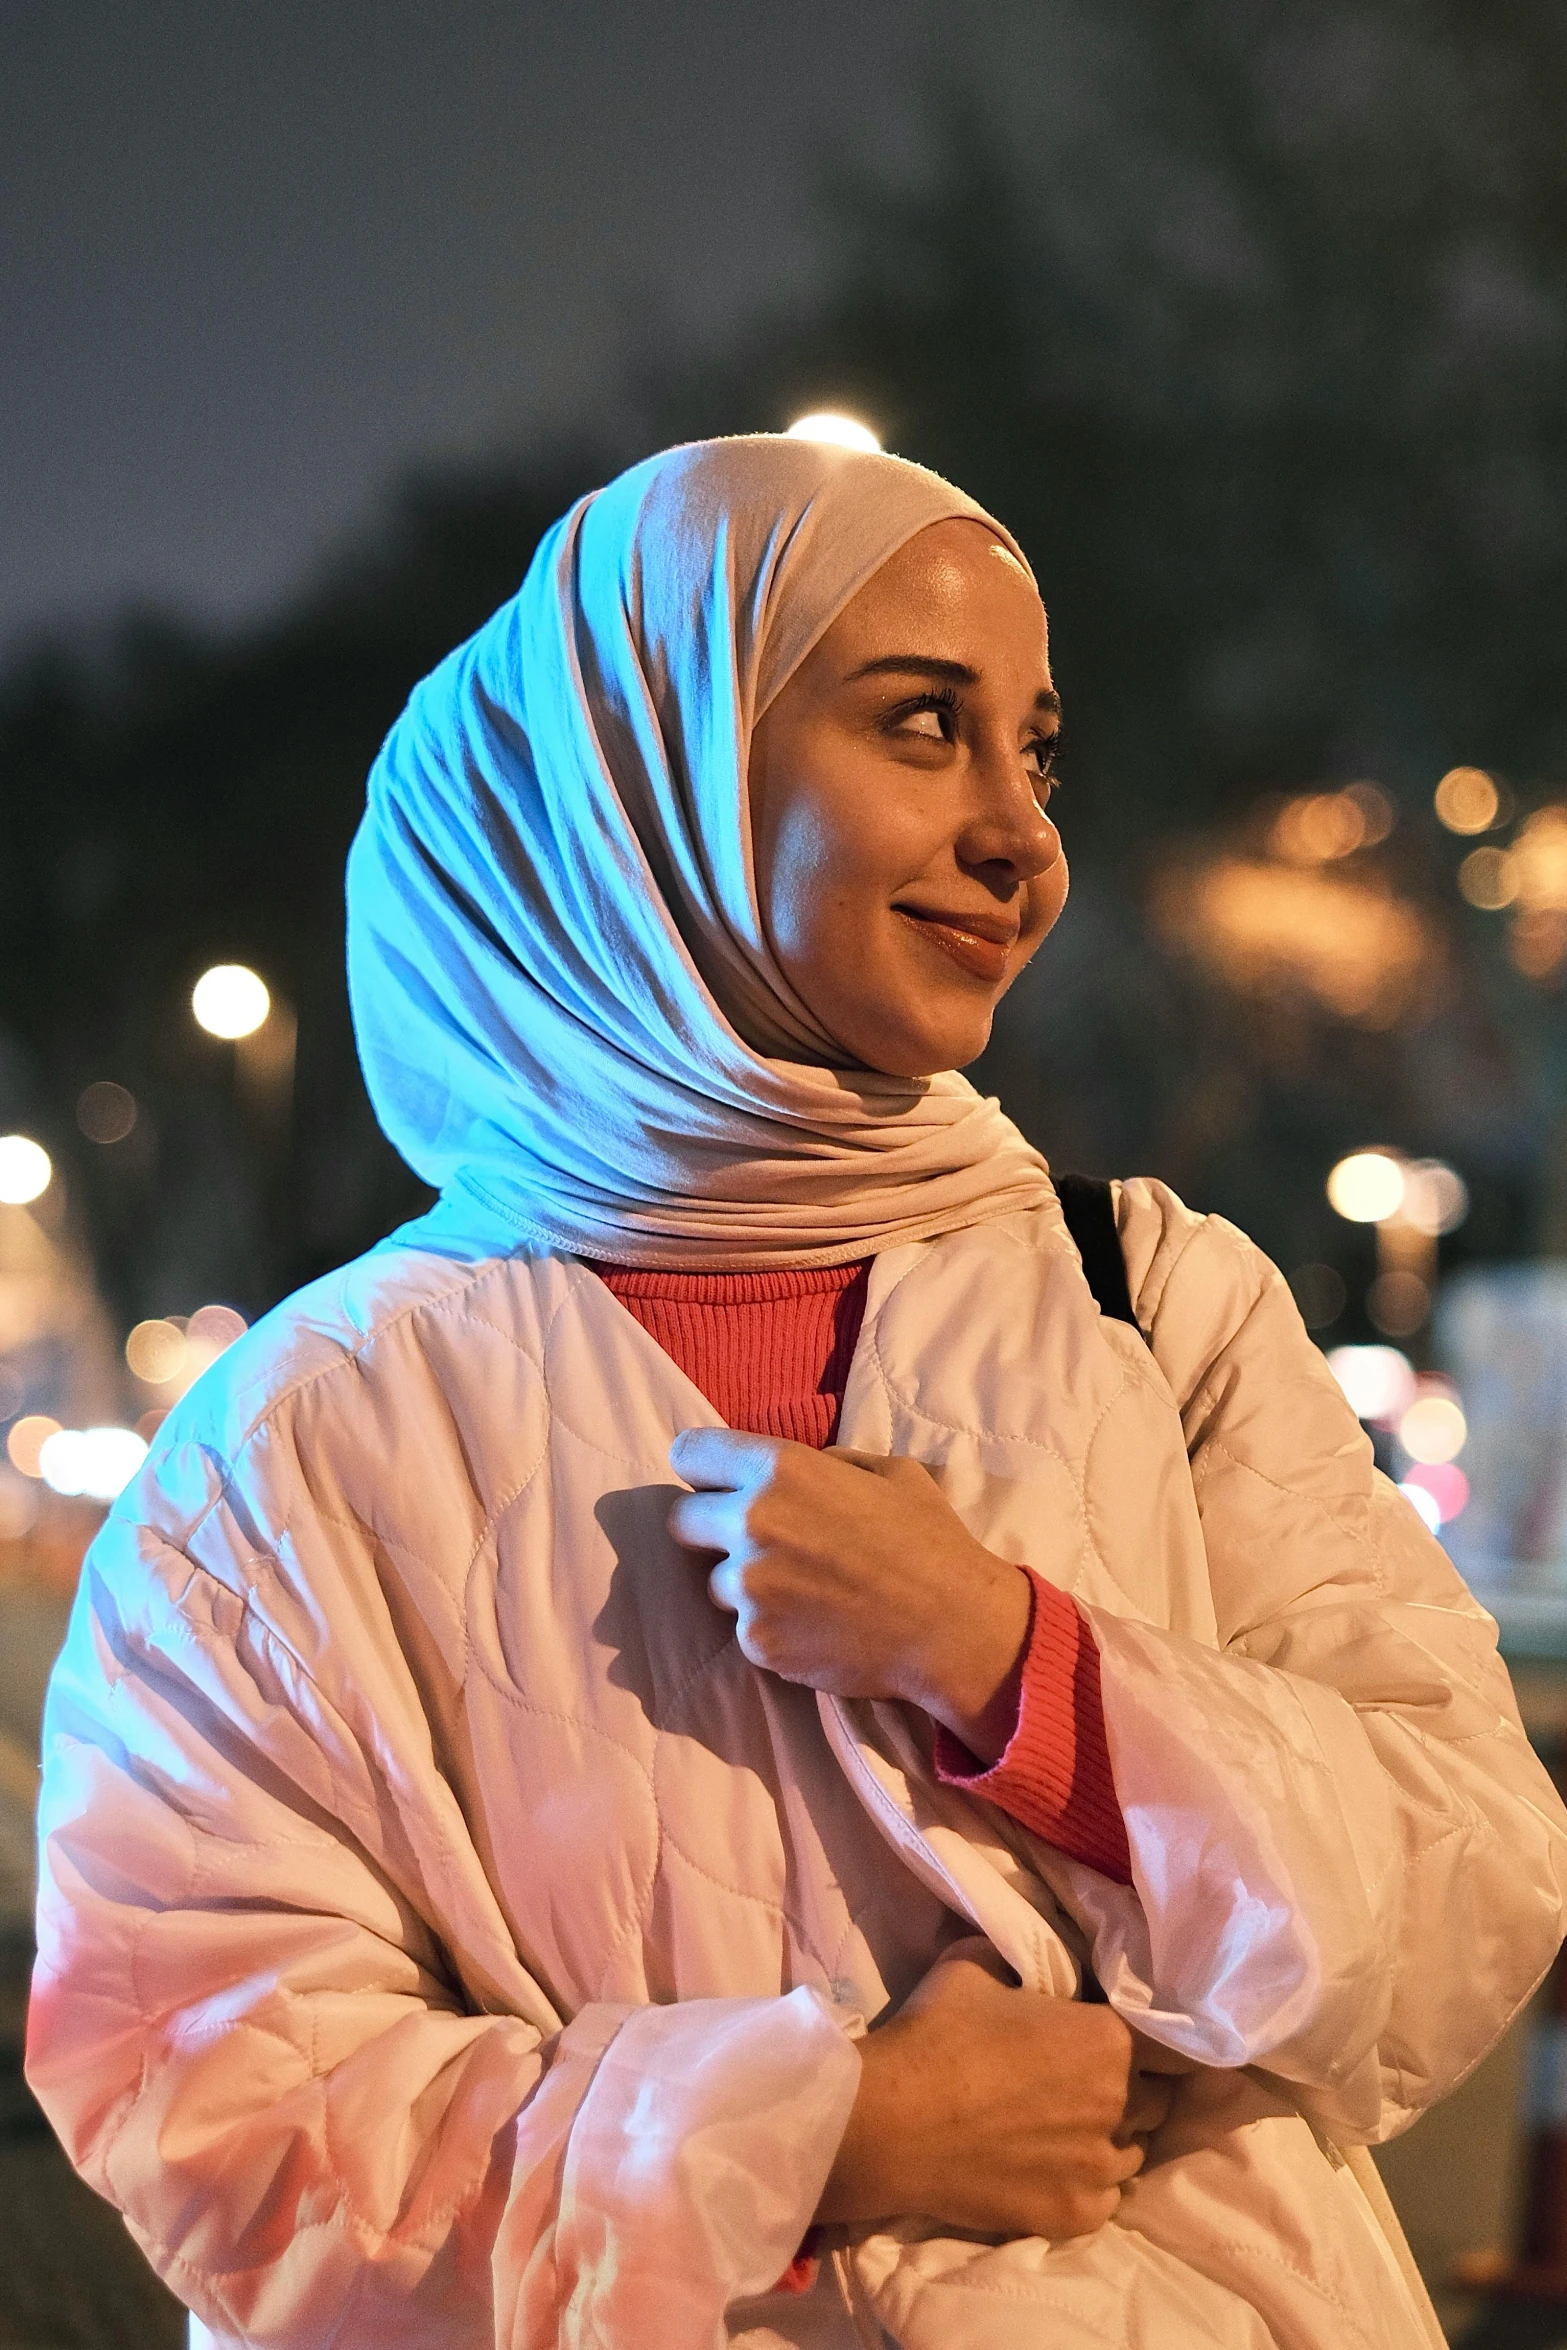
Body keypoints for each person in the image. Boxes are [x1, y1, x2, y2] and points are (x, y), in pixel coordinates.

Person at [25, 433, 1567, 2350]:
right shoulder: (307, 1429)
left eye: (1038, 747)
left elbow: (1472, 1885)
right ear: (643, 787)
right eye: (922, 727)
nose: (1023, 833)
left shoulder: (1151, 1300)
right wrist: (831, 2132)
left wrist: (1016, 1658)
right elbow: (212, 2096)